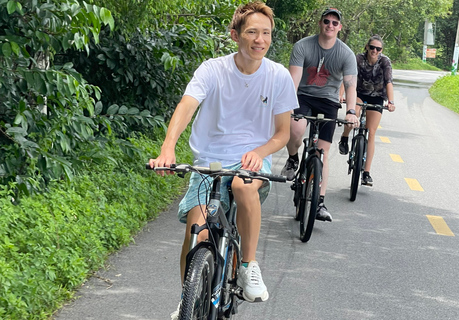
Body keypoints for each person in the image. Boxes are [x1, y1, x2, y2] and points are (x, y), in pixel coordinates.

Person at [149, 1, 298, 317]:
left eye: (266, 33)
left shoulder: (278, 76)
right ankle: (187, 298)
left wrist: (258, 153)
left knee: (244, 188)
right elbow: (187, 105)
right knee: (197, 232)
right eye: (252, 32)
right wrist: (168, 148)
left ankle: (248, 265)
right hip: (211, 160)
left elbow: (283, 134)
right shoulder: (212, 69)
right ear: (235, 35)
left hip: (252, 162)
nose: (260, 40)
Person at [281, 7, 358, 222]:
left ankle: (320, 202)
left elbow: (350, 85)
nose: (330, 25)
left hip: (329, 101)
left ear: (339, 27)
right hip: (303, 95)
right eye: (327, 21)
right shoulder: (302, 46)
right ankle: (293, 159)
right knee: (296, 129)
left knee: (322, 152)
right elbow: (293, 80)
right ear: (320, 23)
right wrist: (287, 105)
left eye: (335, 23)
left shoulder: (346, 54)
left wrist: (351, 111)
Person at [338, 35, 395, 186]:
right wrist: (340, 95)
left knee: (371, 131)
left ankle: (366, 173)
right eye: (372, 47)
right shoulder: (358, 59)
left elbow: (388, 82)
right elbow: (348, 78)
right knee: (353, 114)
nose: (374, 51)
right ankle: (344, 137)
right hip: (358, 93)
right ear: (367, 47)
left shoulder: (385, 62)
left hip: (377, 97)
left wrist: (391, 102)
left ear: (381, 50)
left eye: (378, 49)